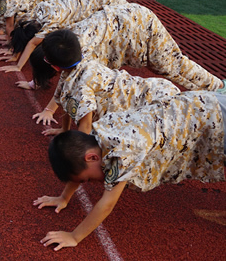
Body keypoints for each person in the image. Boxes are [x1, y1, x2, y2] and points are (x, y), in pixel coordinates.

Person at [34, 91, 225, 251]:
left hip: (216, 119)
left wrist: (75, 236)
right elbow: (77, 163)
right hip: (201, 103)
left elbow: (107, 204)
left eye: (89, 180)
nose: (94, 183)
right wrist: (64, 198)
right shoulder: (98, 133)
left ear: (91, 157)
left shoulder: (122, 151)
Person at [33, 29, 181, 135]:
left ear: (55, 66)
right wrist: (64, 130)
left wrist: (78, 162)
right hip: (154, 89)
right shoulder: (79, 63)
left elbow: (85, 127)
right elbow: (65, 99)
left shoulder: (81, 86)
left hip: (157, 102)